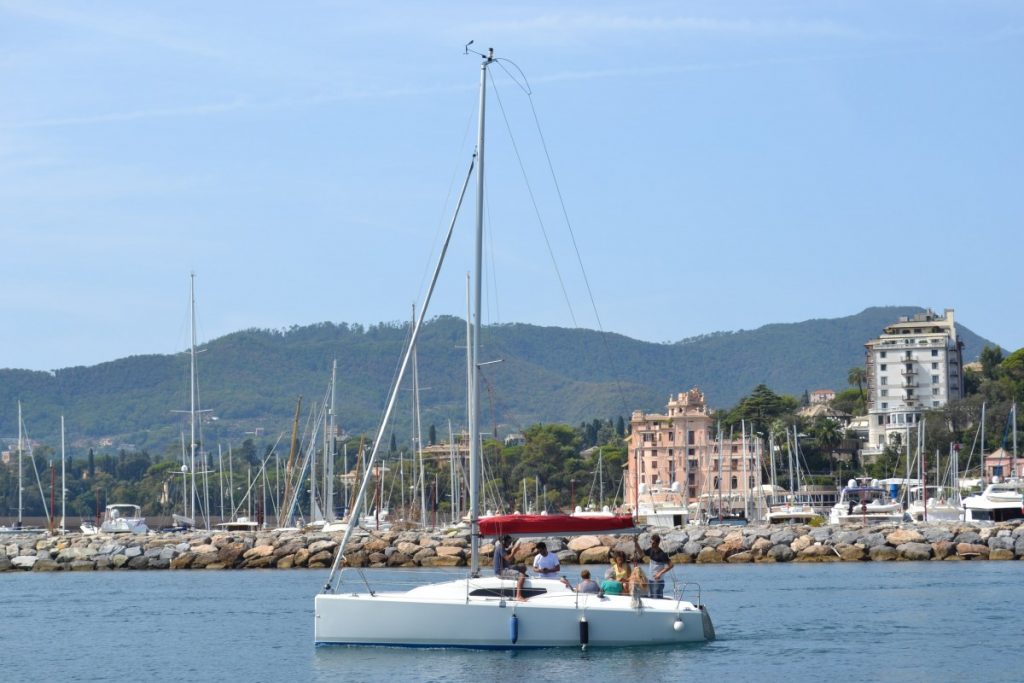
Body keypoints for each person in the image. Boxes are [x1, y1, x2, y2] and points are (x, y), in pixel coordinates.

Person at [634, 534, 673, 599]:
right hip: (650, 580)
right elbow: (641, 554)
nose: (651, 544)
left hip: (658, 582)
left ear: (657, 543)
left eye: (653, 543)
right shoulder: (651, 550)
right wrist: (636, 543)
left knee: (657, 600)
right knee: (652, 598)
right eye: (651, 542)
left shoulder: (662, 554)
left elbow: (671, 565)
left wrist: (660, 573)